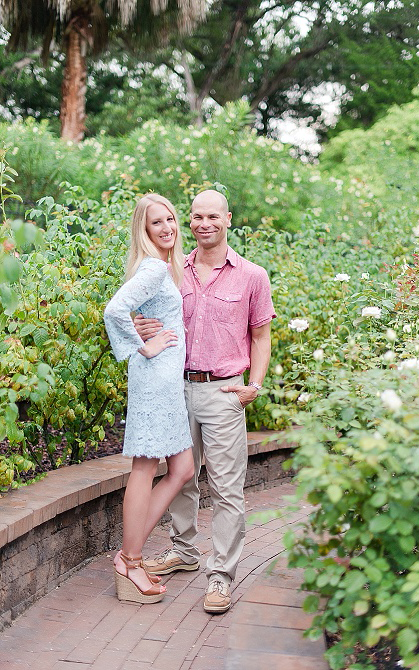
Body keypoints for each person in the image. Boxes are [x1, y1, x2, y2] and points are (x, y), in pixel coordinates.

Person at [135, 190, 275, 614]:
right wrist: (142, 328)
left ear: (228, 218)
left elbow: (261, 335)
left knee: (227, 488)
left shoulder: (252, 275)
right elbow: (147, 318)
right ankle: (183, 551)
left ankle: (220, 575)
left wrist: (255, 385)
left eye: (212, 215)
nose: (203, 223)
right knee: (181, 476)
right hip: (177, 387)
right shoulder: (172, 271)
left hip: (224, 390)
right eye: (196, 216)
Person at [103, 194, 196, 604]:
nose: (167, 228)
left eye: (171, 219)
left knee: (184, 468)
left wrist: (148, 335)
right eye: (156, 223)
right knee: (146, 466)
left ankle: (130, 555)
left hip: (166, 382)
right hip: (154, 379)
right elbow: (114, 310)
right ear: (143, 229)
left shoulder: (162, 269)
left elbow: (136, 312)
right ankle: (131, 560)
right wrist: (144, 347)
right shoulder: (154, 267)